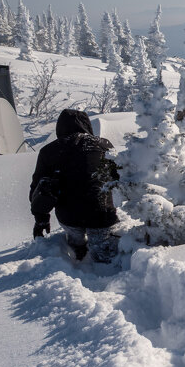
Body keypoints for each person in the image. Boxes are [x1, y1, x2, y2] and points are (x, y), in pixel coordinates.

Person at [29, 109, 119, 262]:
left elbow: (38, 188)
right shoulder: (104, 145)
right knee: (104, 257)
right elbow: (118, 177)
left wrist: (41, 219)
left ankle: (78, 252)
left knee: (75, 236)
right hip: (101, 214)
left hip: (69, 216)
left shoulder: (48, 151)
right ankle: (103, 266)